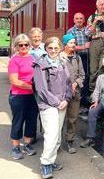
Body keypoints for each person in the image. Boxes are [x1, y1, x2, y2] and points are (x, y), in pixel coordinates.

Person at [33, 37, 73, 179]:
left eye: (56, 48)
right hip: (48, 104)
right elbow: (41, 89)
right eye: (50, 48)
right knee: (51, 135)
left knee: (57, 136)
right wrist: (57, 102)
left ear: (60, 48)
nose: (53, 51)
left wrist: (67, 99)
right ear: (46, 48)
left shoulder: (62, 62)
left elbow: (69, 83)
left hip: (62, 103)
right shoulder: (40, 64)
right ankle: (45, 164)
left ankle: (51, 160)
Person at [8, 34, 38, 160]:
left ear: (29, 46)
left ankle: (27, 144)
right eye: (21, 45)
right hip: (18, 96)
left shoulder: (34, 58)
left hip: (33, 97)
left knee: (31, 120)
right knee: (18, 121)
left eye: (26, 44)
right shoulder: (14, 60)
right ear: (16, 47)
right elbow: (14, 81)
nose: (24, 47)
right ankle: (15, 147)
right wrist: (33, 88)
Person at [80, 56, 104, 149]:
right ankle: (91, 138)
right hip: (103, 101)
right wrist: (95, 101)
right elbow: (97, 91)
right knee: (92, 111)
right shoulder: (101, 77)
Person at [60, 34, 85, 154]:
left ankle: (70, 141)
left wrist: (76, 83)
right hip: (61, 94)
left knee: (72, 119)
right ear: (65, 45)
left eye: (74, 43)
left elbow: (82, 75)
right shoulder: (59, 57)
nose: (74, 45)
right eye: (71, 43)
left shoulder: (78, 58)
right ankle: (57, 142)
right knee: (59, 119)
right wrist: (67, 85)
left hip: (75, 93)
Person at [67, 12, 91, 108]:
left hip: (88, 57)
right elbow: (70, 46)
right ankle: (78, 103)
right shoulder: (71, 31)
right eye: (77, 18)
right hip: (76, 58)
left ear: (84, 20)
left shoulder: (88, 30)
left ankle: (85, 102)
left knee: (87, 79)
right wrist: (84, 46)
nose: (79, 20)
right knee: (79, 78)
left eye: (81, 18)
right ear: (74, 20)